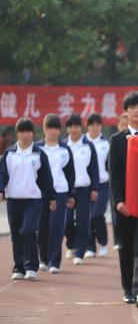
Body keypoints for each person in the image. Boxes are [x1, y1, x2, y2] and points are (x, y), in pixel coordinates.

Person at [109, 91, 138, 307]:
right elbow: (114, 174)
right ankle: (127, 289)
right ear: (126, 111)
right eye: (132, 107)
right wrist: (118, 201)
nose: (136, 111)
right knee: (126, 248)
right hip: (124, 206)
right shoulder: (117, 140)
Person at [1, 118, 57, 281]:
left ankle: (31, 266)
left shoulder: (39, 154)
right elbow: (2, 174)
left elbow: (46, 178)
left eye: (28, 131)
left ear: (33, 133)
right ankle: (18, 268)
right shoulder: (9, 154)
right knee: (16, 234)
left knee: (28, 230)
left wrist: (51, 197)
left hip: (33, 200)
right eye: (22, 131)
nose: (25, 134)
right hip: (14, 199)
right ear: (17, 133)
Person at [36, 114, 75, 274]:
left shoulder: (65, 150)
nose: (53, 131)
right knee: (42, 227)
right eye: (50, 128)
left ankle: (54, 262)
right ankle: (43, 259)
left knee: (56, 228)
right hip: (40, 194)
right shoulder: (37, 149)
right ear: (44, 128)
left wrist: (71, 194)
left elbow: (70, 174)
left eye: (56, 128)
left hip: (60, 192)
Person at [63, 114, 99, 265]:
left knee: (83, 221)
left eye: (76, 126)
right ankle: (71, 244)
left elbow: (94, 169)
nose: (74, 129)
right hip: (67, 190)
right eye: (71, 126)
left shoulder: (88, 145)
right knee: (67, 221)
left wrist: (95, 188)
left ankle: (80, 252)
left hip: (84, 189)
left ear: (81, 127)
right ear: (67, 128)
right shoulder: (63, 146)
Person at [85, 114, 111, 258]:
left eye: (98, 124)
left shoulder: (106, 143)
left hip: (103, 184)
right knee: (87, 216)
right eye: (92, 125)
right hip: (86, 185)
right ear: (87, 126)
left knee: (97, 215)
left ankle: (103, 242)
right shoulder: (83, 142)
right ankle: (90, 247)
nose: (95, 128)